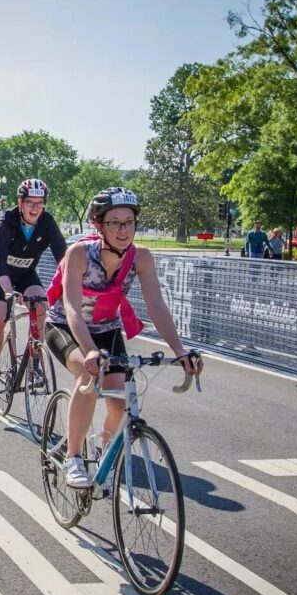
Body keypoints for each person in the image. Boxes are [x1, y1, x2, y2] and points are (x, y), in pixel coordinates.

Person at [44, 187, 202, 488]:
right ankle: (74, 458)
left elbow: (156, 305)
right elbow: (72, 309)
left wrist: (180, 352)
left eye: (129, 222)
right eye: (114, 222)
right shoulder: (79, 253)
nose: (123, 229)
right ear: (98, 225)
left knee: (118, 405)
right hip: (66, 326)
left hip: (107, 328)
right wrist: (89, 351)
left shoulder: (141, 257)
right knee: (87, 376)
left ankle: (102, 452)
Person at [0, 178, 67, 396]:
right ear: (20, 203)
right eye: (30, 202)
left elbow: (64, 258)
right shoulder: (7, 221)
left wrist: (72, 288)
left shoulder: (47, 222)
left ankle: (35, 361)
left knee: (40, 305)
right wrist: (9, 291)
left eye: (40, 203)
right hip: (0, 275)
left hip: (26, 274)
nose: (35, 208)